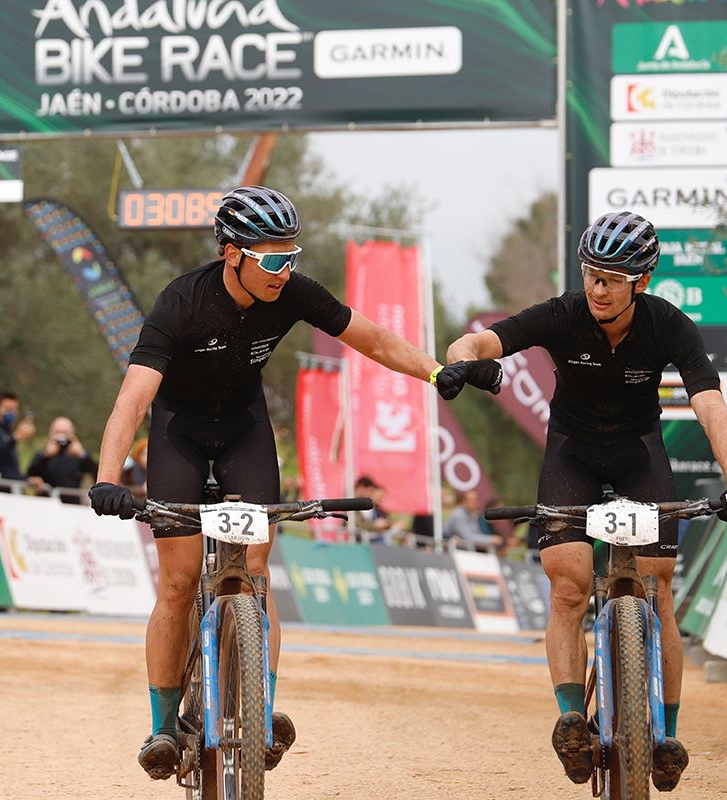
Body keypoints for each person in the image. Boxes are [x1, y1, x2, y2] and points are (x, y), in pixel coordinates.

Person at [86, 185, 502, 781]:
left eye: (292, 256)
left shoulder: (294, 294)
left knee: (255, 570)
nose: (286, 271)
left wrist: (436, 373)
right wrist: (107, 479)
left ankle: (260, 707)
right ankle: (159, 728)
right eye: (273, 259)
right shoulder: (181, 303)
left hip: (244, 428)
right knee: (178, 581)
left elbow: (375, 341)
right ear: (232, 253)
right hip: (178, 431)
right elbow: (131, 401)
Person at [443, 211, 727, 791]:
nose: (597, 288)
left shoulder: (670, 325)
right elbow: (486, 337)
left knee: (659, 585)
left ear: (641, 280)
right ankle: (569, 715)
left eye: (612, 278)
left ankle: (664, 734)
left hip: (639, 453)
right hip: (572, 454)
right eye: (591, 274)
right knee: (568, 586)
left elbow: (711, 405)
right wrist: (461, 358)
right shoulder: (564, 314)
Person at [26, 417, 98, 503]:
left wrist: (83, 454)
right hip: (45, 503)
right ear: (51, 433)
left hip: (71, 505)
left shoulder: (78, 455)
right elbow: (29, 473)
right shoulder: (43, 454)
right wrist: (44, 455)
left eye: (65, 432)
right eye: (58, 432)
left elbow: (95, 472)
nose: (61, 436)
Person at [0, 390, 36, 482]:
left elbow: (10, 469)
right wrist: (15, 438)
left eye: (14, 409)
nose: (11, 413)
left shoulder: (7, 433)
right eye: (7, 409)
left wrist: (27, 479)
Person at [352, 474, 395, 541]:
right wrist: (375, 526)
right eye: (369, 490)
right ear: (360, 488)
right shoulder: (351, 505)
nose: (369, 493)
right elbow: (355, 524)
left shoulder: (377, 510)